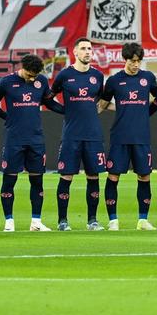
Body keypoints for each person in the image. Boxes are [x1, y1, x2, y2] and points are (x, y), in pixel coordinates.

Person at [0, 54, 58, 232]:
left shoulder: (41, 81)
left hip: (36, 139)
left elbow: (50, 103)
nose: (32, 78)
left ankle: (36, 222)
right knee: (9, 180)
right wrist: (6, 117)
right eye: (30, 75)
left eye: (35, 75)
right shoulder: (6, 82)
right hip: (14, 139)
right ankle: (9, 222)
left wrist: (69, 111)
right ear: (22, 67)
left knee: (37, 181)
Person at [49, 39, 107, 231]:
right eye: (83, 49)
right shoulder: (64, 75)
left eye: (90, 49)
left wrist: (91, 112)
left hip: (93, 135)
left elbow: (100, 100)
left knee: (94, 177)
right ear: (75, 52)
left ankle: (92, 220)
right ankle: (62, 221)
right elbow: (48, 98)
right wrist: (64, 111)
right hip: (71, 135)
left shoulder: (98, 76)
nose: (88, 52)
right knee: (66, 177)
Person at [101, 44, 157, 231]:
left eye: (138, 61)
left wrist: (145, 111)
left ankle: (143, 220)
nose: (136, 65)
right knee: (113, 177)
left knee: (144, 177)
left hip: (141, 137)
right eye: (132, 61)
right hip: (119, 136)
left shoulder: (148, 78)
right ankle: (113, 220)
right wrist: (120, 109)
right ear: (124, 60)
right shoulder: (114, 81)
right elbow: (103, 105)